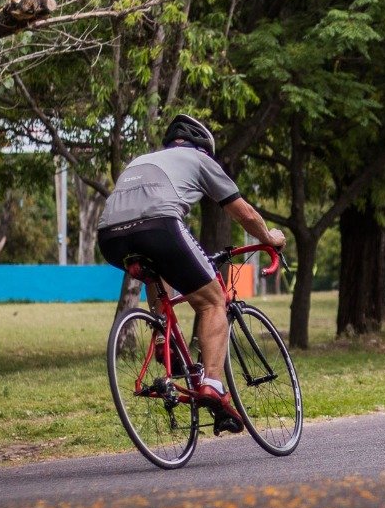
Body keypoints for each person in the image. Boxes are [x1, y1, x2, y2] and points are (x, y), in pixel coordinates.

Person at [97, 114, 286, 433]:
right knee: (212, 302)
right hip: (158, 226)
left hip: (109, 238)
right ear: (204, 146)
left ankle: (164, 338)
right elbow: (244, 213)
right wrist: (269, 237)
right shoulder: (200, 158)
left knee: (157, 273)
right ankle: (212, 383)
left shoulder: (141, 160)